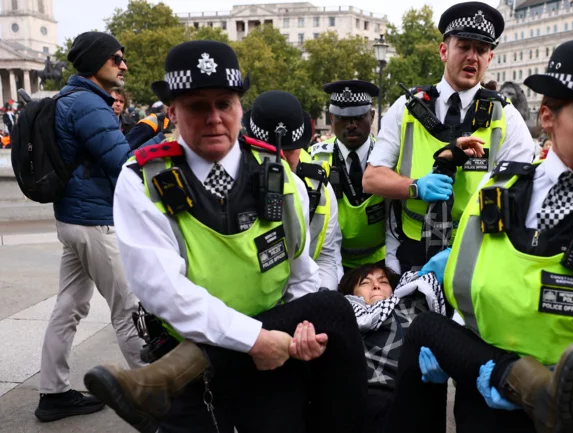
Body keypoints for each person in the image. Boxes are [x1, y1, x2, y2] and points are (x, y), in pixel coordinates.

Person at [83, 40, 366, 433]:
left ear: (240, 108)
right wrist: (252, 340)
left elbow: (301, 272)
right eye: (197, 106)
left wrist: (297, 328)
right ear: (172, 112)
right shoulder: (142, 179)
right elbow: (162, 289)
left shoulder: (279, 174)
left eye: (225, 103)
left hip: (271, 353)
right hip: (201, 368)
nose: (214, 117)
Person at [385, 39, 573, 433]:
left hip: (560, 410)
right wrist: (461, 357)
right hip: (480, 393)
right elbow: (465, 292)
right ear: (547, 117)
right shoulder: (496, 186)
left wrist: (559, 387)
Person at [363, 2, 535, 273]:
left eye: (481, 50)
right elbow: (371, 179)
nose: (472, 57)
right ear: (444, 51)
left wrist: (468, 250)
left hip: (477, 250)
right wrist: (416, 186)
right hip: (412, 248)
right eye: (464, 46)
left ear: (490, 58)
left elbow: (521, 194)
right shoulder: (407, 107)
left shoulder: (507, 117)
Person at [35, 31, 150, 423]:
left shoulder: (70, 98)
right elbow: (124, 164)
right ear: (96, 62)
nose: (124, 65)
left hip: (73, 219)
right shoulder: (89, 103)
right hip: (95, 222)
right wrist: (153, 137)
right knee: (128, 309)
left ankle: (52, 393)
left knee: (68, 307)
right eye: (116, 58)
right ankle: (154, 398)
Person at [247, 90, 343, 290]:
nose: (283, 158)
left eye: (292, 149)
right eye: (272, 151)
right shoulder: (231, 180)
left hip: (305, 287)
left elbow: (327, 256)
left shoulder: (320, 187)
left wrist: (323, 293)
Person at [339, 264, 446, 432]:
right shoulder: (348, 314)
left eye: (383, 281)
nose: (376, 285)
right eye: (365, 283)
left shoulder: (413, 306)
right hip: (374, 394)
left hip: (418, 388)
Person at [310, 80, 387, 271]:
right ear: (332, 118)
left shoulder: (388, 158)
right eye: (343, 118)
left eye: (359, 117)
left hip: (380, 261)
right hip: (329, 261)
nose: (351, 125)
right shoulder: (315, 157)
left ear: (372, 115)